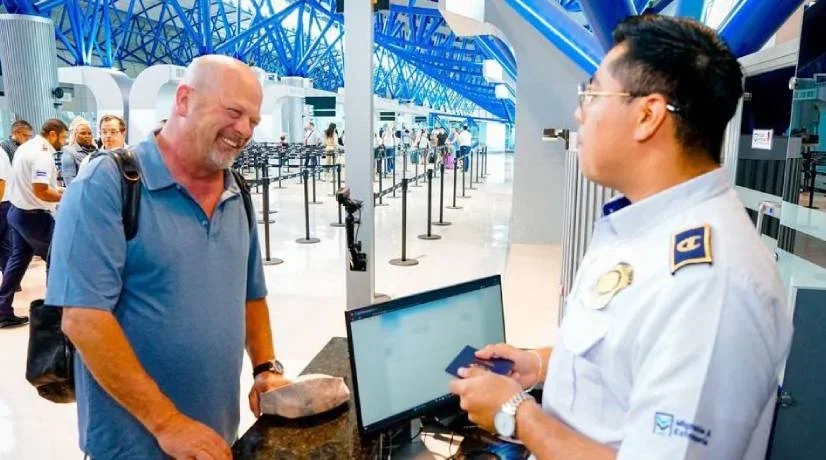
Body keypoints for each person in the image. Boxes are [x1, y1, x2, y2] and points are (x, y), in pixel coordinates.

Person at [449, 15, 793, 460]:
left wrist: (516, 414)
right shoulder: (643, 228)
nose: (579, 112)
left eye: (592, 94)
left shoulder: (712, 284)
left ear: (647, 116)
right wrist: (537, 365)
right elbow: (621, 360)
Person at [47, 55, 289, 459]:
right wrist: (168, 424)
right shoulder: (108, 185)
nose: (245, 130)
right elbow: (83, 319)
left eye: (253, 120)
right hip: (134, 445)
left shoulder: (237, 192)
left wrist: (265, 368)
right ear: (183, 100)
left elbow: (250, 294)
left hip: (213, 439)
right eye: (233, 112)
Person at [0, 119, 67, 328]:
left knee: (17, 262)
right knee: (57, 258)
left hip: (17, 212)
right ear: (53, 134)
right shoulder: (42, 154)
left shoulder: (25, 147)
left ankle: (2, 310)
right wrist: (66, 196)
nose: (64, 143)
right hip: (34, 217)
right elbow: (41, 191)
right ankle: (54, 312)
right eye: (63, 137)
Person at [61, 118, 97, 187]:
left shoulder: (97, 151)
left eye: (89, 133)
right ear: (75, 135)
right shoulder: (69, 153)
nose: (87, 136)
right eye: (82, 133)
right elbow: (70, 183)